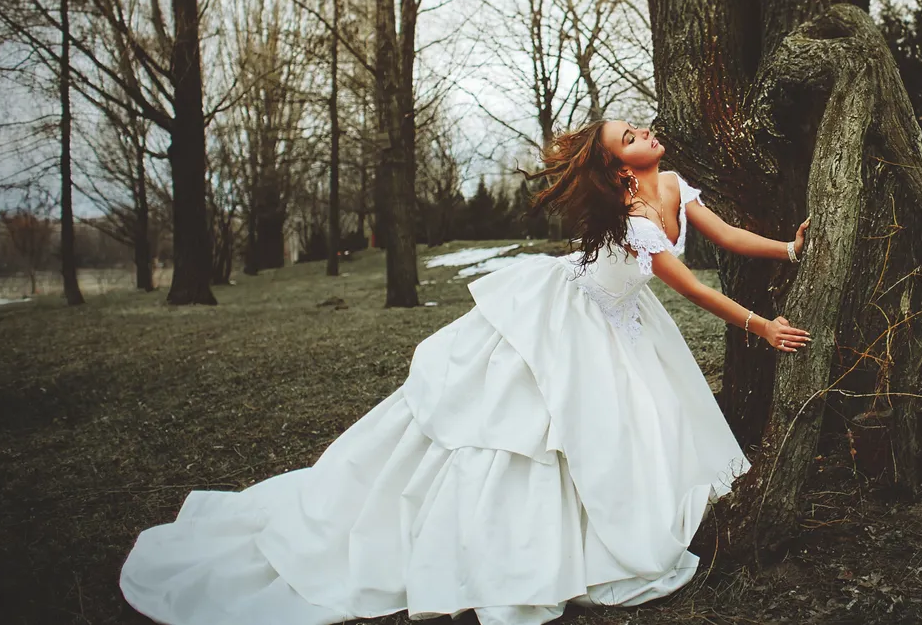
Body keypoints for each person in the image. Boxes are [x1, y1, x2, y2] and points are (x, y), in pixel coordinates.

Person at [119, 119, 813, 625]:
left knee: (639, 423)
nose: (645, 132)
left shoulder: (672, 185)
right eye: (629, 136)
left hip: (625, 322)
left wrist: (787, 248)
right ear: (616, 168)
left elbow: (725, 236)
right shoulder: (631, 214)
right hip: (576, 318)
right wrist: (761, 325)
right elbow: (689, 287)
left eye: (638, 128)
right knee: (532, 429)